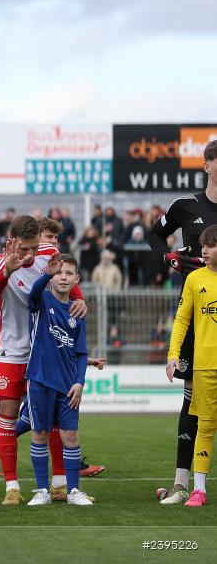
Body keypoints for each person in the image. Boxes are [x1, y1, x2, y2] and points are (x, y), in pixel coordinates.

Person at [0, 215, 87, 505]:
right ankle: (11, 486)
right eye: (24, 249)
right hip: (11, 351)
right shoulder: (0, 264)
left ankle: (60, 484)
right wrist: (7, 273)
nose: (30, 255)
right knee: (8, 413)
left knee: (53, 418)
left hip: (46, 350)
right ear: (11, 242)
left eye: (34, 247)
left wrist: (80, 299)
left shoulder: (48, 254)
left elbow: (69, 286)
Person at [150, 139, 217, 504]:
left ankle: (200, 484)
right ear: (206, 165)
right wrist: (170, 258)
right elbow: (154, 235)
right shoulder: (185, 206)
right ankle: (180, 483)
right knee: (192, 401)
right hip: (197, 315)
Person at [24, 254, 94, 506]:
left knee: (71, 436)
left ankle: (73, 490)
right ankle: (42, 490)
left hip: (68, 386)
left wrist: (80, 382)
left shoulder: (77, 312)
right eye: (59, 273)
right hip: (39, 380)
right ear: (52, 277)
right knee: (40, 432)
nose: (63, 277)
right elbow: (32, 293)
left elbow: (82, 352)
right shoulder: (42, 300)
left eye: (68, 273)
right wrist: (45, 274)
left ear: (76, 279)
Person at [167, 223, 217, 507]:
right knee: (205, 427)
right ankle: (199, 490)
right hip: (204, 366)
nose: (204, 251)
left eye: (209, 245)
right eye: (202, 245)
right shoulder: (195, 279)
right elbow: (182, 320)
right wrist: (173, 353)